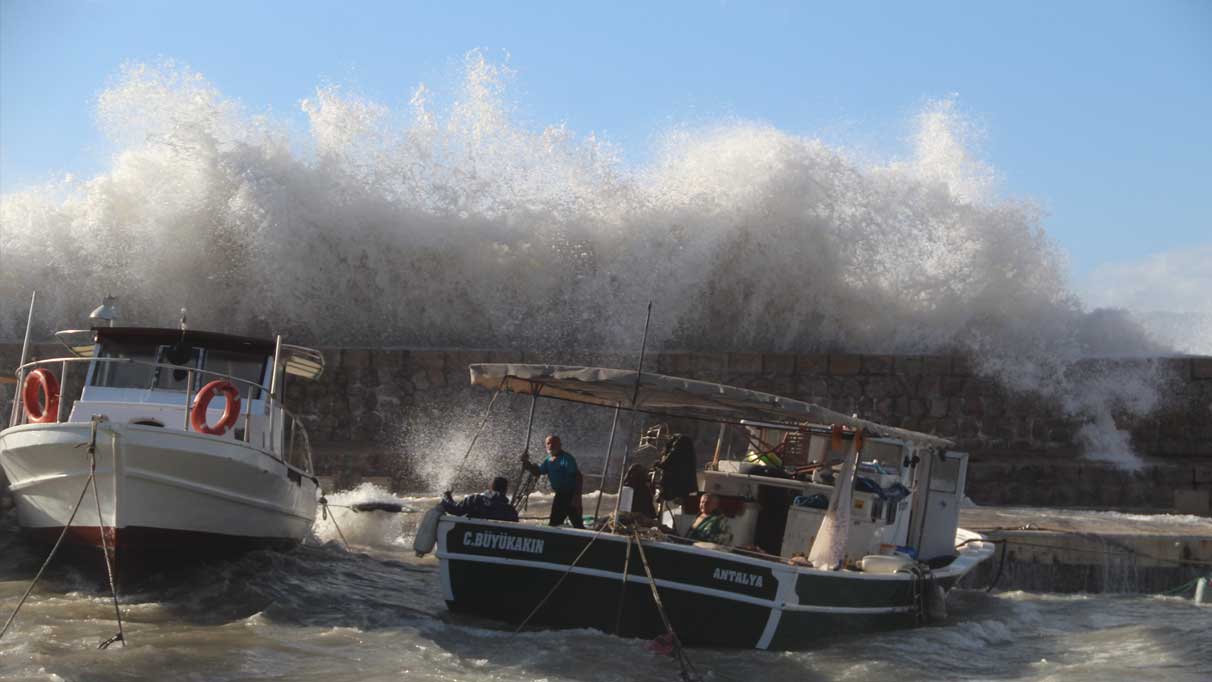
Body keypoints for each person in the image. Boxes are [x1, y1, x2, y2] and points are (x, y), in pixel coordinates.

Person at [521, 434, 584, 529]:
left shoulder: (566, 458)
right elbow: (538, 471)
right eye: (548, 443)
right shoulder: (548, 460)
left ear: (560, 445)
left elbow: (578, 477)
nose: (551, 445)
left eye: (553, 443)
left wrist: (576, 497)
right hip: (560, 495)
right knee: (560, 522)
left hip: (570, 495)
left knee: (569, 523)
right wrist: (526, 463)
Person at [441, 476, 519, 522]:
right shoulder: (510, 510)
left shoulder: (475, 499)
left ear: (490, 488)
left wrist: (446, 497)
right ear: (505, 491)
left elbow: (455, 510)